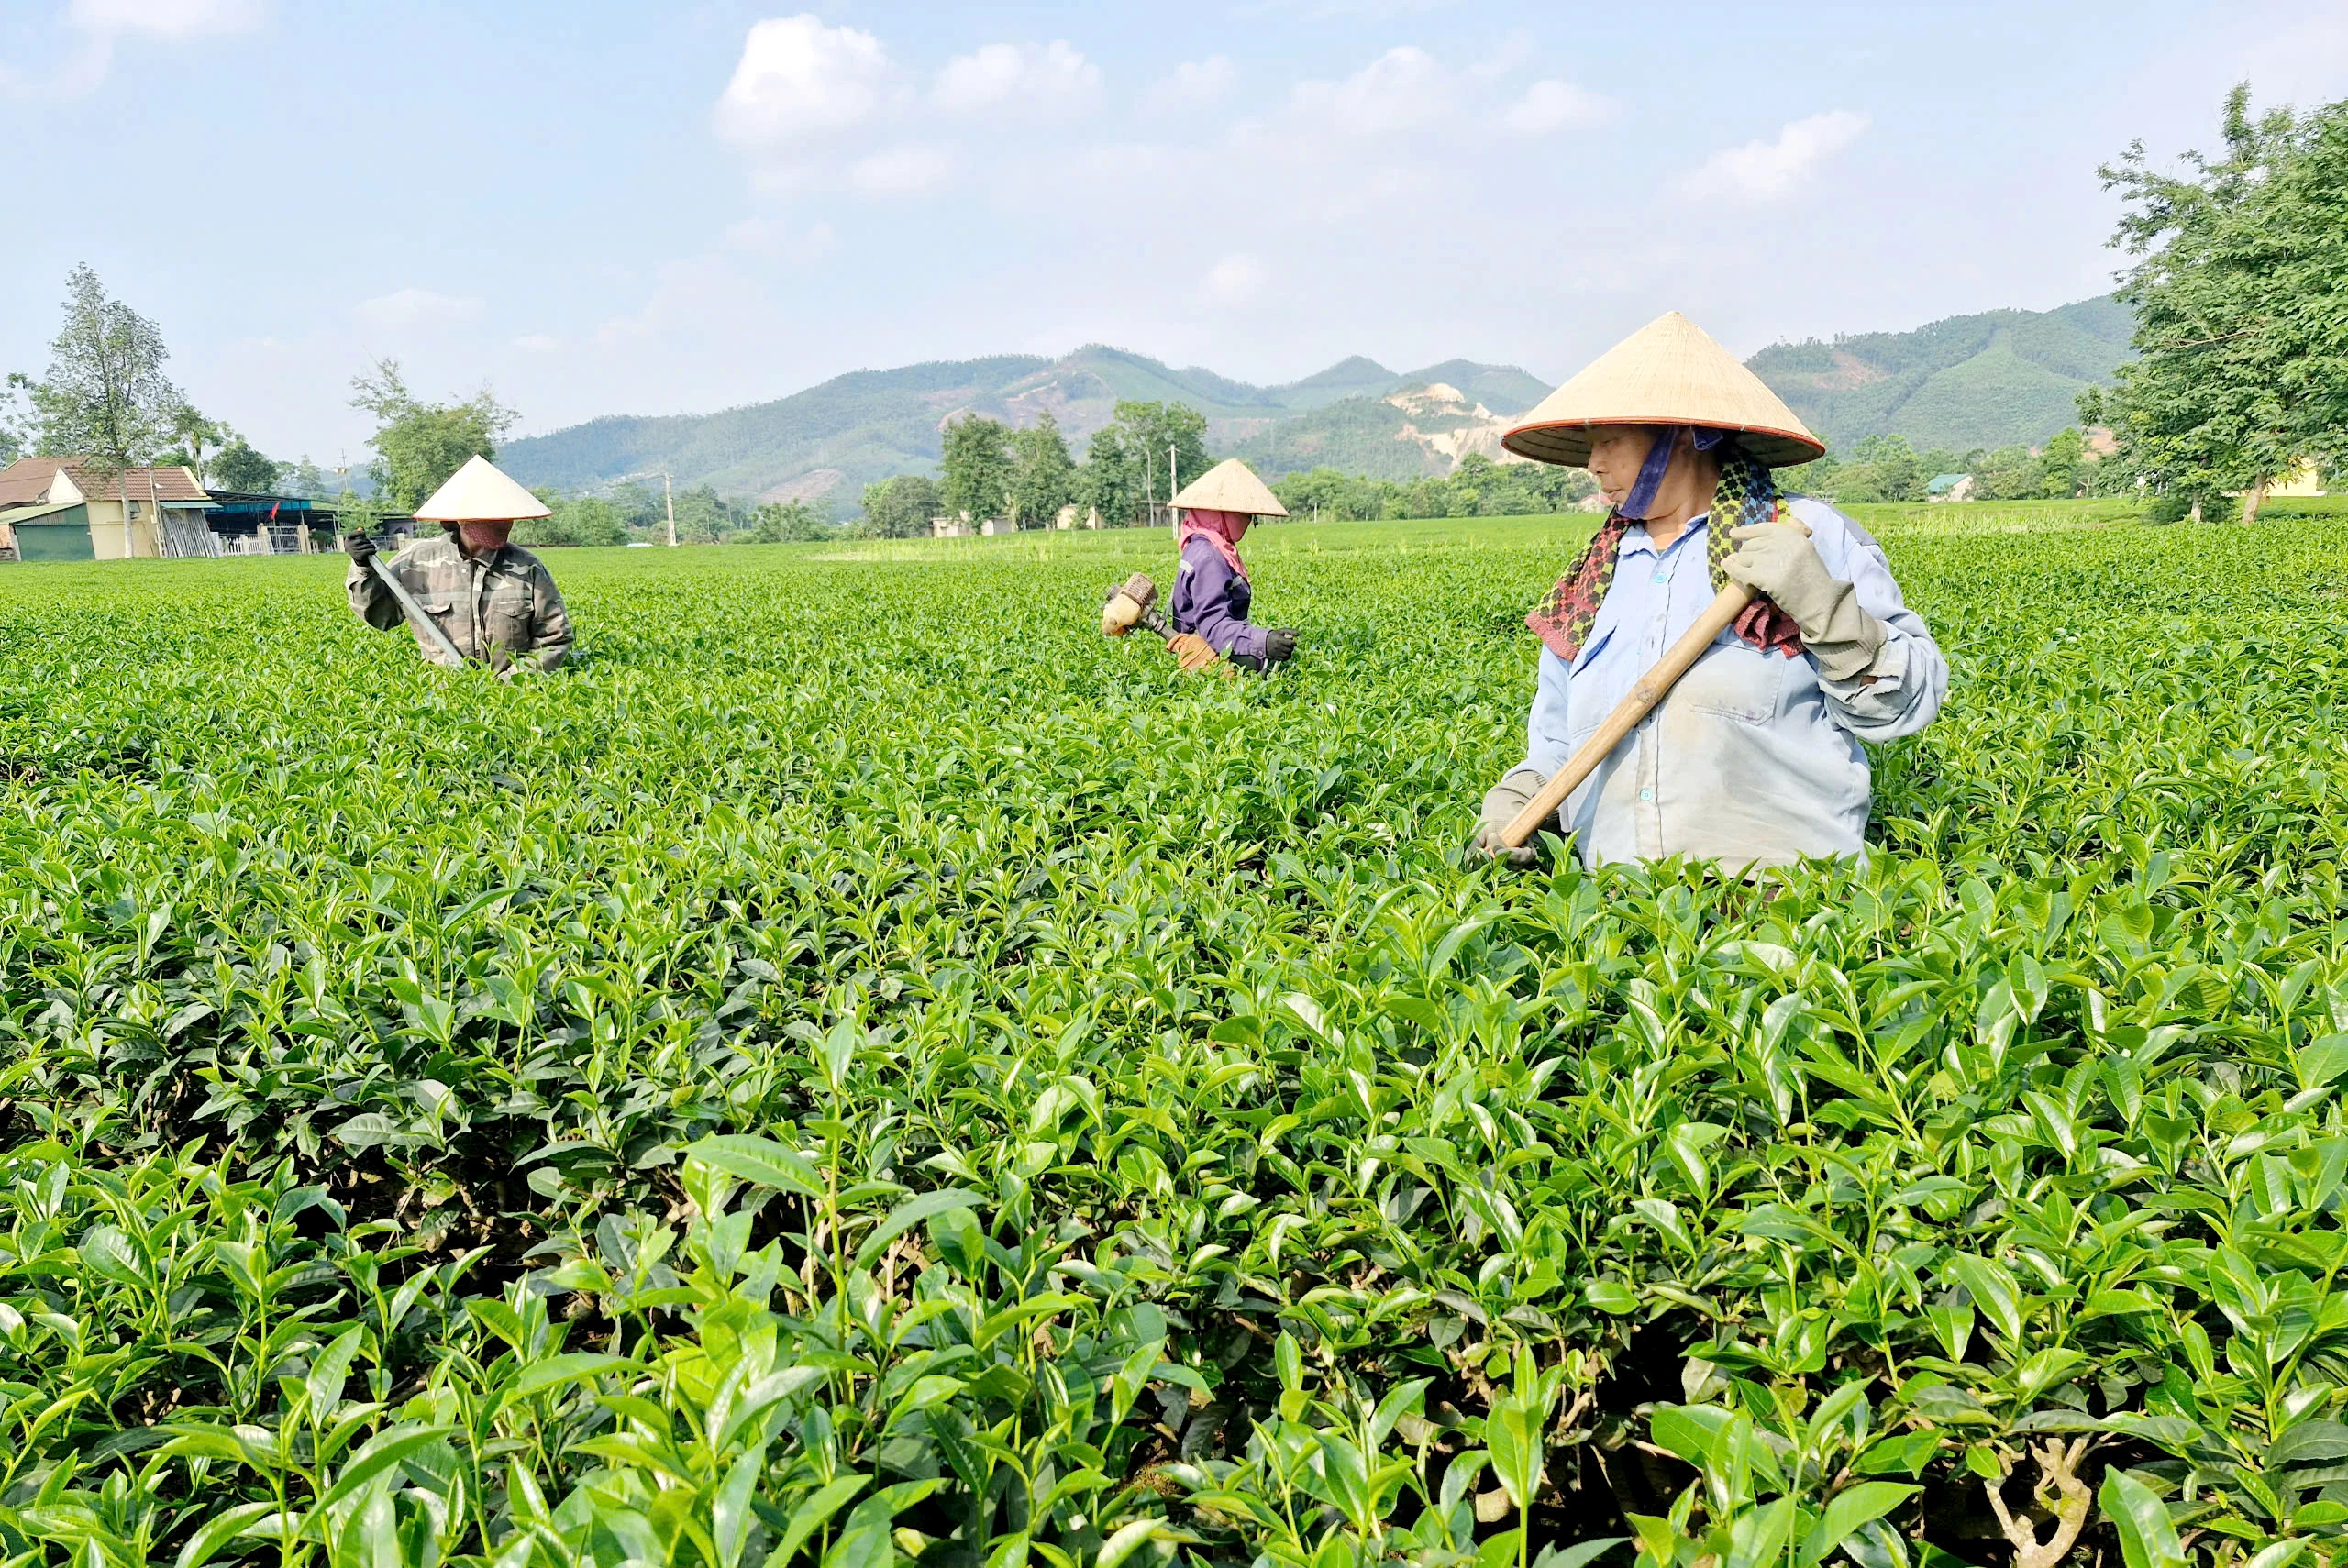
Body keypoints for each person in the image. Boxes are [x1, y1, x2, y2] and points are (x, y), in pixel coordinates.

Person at [1473, 312, 1947, 870]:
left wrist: (1826, 608)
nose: (1593, 464)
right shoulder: (1594, 577)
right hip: (1623, 922)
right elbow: (1557, 742)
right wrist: (1522, 795)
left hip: (1781, 912)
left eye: (1610, 441)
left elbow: (1904, 706)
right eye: (1588, 446)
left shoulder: (1798, 534)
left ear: (1682, 435)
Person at [345, 455, 572, 677]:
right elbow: (380, 616)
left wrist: (512, 683)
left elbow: (554, 638)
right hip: (447, 700)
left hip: (511, 701)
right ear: (458, 518)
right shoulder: (417, 562)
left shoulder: (527, 568)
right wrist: (363, 568)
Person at [1166, 458, 1300, 673]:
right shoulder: (1209, 557)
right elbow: (1214, 626)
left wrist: (1267, 637)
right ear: (1222, 513)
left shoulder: (1202, 543)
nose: (1250, 522)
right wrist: (1263, 641)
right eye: (1246, 515)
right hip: (1207, 659)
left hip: (1211, 651)